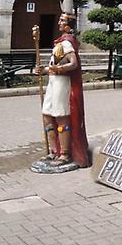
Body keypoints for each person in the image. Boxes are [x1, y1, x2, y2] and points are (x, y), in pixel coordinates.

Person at [36, 13, 90, 167]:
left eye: (62, 20)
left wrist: (57, 69)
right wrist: (44, 70)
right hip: (53, 82)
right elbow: (54, 64)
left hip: (62, 83)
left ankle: (65, 153)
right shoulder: (59, 42)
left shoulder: (67, 42)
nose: (59, 22)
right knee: (47, 114)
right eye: (59, 19)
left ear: (68, 25)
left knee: (61, 116)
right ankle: (54, 150)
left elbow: (73, 64)